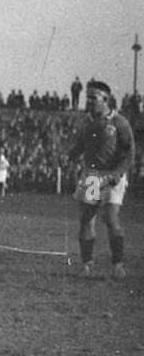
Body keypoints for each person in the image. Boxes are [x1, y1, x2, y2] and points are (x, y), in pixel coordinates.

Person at [67, 80, 133, 278]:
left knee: (111, 219)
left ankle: (118, 265)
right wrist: (69, 157)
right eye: (87, 97)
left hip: (112, 176)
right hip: (93, 178)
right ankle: (87, 265)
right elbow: (79, 146)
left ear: (106, 100)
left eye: (93, 98)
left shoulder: (120, 123)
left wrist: (116, 174)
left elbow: (129, 154)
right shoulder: (87, 122)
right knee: (87, 220)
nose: (89, 101)